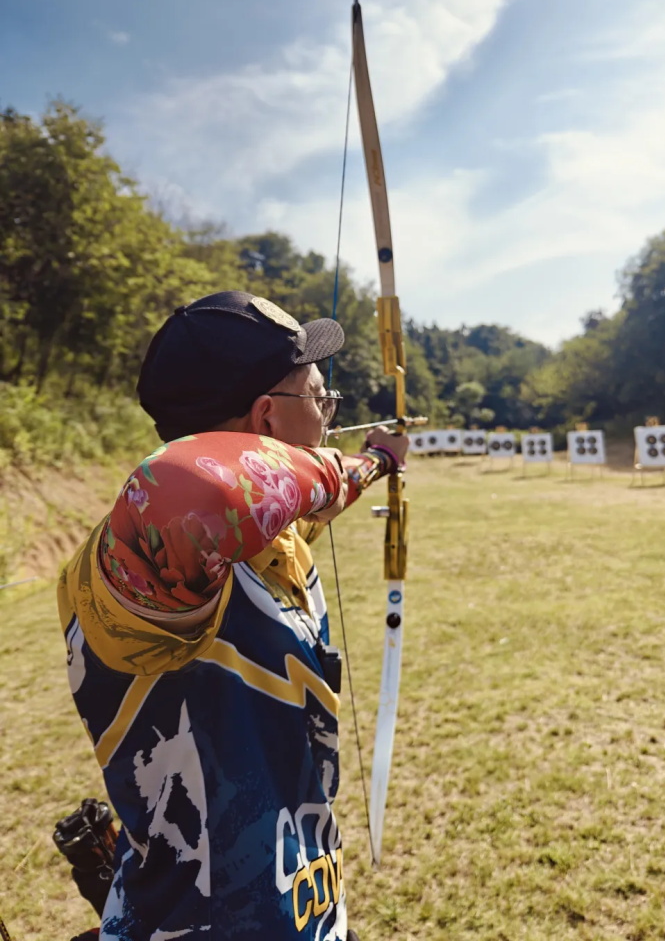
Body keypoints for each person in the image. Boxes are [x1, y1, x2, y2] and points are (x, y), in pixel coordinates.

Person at [58, 291, 409, 941]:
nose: (330, 415)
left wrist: (379, 462)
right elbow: (195, 491)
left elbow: (277, 498)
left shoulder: (271, 532)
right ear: (269, 420)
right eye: (318, 396)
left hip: (305, 914)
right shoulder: (131, 572)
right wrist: (338, 470)